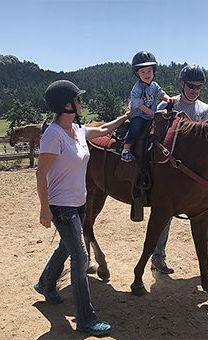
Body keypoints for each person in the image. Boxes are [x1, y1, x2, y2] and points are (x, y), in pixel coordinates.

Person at [34, 80, 130, 337]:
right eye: (78, 99)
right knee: (80, 258)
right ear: (67, 105)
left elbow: (105, 129)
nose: (81, 102)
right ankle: (86, 319)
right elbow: (40, 173)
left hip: (79, 202)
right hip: (61, 205)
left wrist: (127, 115)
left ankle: (45, 283)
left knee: (67, 246)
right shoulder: (53, 135)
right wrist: (45, 209)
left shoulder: (76, 129)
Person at [151, 65, 208, 274]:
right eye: (191, 86)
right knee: (164, 213)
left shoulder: (205, 110)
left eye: (199, 87)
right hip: (170, 171)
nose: (195, 90)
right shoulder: (167, 106)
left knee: (205, 212)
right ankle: (158, 257)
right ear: (182, 84)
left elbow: (206, 144)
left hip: (194, 174)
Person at [121, 51, 174, 162]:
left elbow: (161, 94)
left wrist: (169, 99)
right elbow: (140, 106)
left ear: (153, 71)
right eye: (143, 72)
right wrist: (153, 114)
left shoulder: (154, 85)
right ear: (137, 74)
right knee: (136, 127)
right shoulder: (137, 88)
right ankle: (126, 149)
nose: (146, 74)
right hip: (139, 115)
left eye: (149, 71)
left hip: (151, 116)